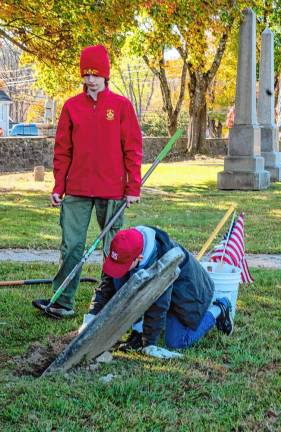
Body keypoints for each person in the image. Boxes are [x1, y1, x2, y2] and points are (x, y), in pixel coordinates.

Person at [32, 45, 142, 318]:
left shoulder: (121, 106)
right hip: (77, 191)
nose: (90, 79)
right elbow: (62, 150)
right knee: (71, 246)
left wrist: (133, 187)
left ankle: (111, 302)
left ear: (105, 75)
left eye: (95, 73)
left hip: (112, 190)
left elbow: (133, 148)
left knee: (113, 248)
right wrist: (59, 186)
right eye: (86, 73)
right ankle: (62, 302)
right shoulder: (71, 107)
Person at [79, 226, 234, 359]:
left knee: (177, 342)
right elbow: (106, 286)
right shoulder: (123, 246)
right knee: (119, 280)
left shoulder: (163, 262)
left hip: (188, 293)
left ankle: (219, 308)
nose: (117, 268)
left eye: (124, 264)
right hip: (164, 289)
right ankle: (139, 331)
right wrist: (90, 319)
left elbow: (159, 304)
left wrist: (149, 343)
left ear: (139, 257)